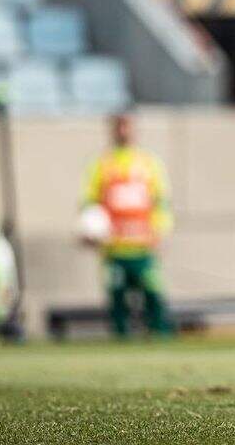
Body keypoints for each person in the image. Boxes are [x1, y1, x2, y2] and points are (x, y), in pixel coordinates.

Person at [80, 113, 174, 337]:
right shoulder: (101, 165)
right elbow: (90, 204)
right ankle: (121, 342)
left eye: (127, 126)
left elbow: (160, 202)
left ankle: (160, 337)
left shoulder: (149, 163)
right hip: (114, 247)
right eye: (119, 127)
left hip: (143, 246)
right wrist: (89, 230)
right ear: (112, 130)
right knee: (117, 298)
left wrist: (159, 232)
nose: (123, 131)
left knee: (153, 295)